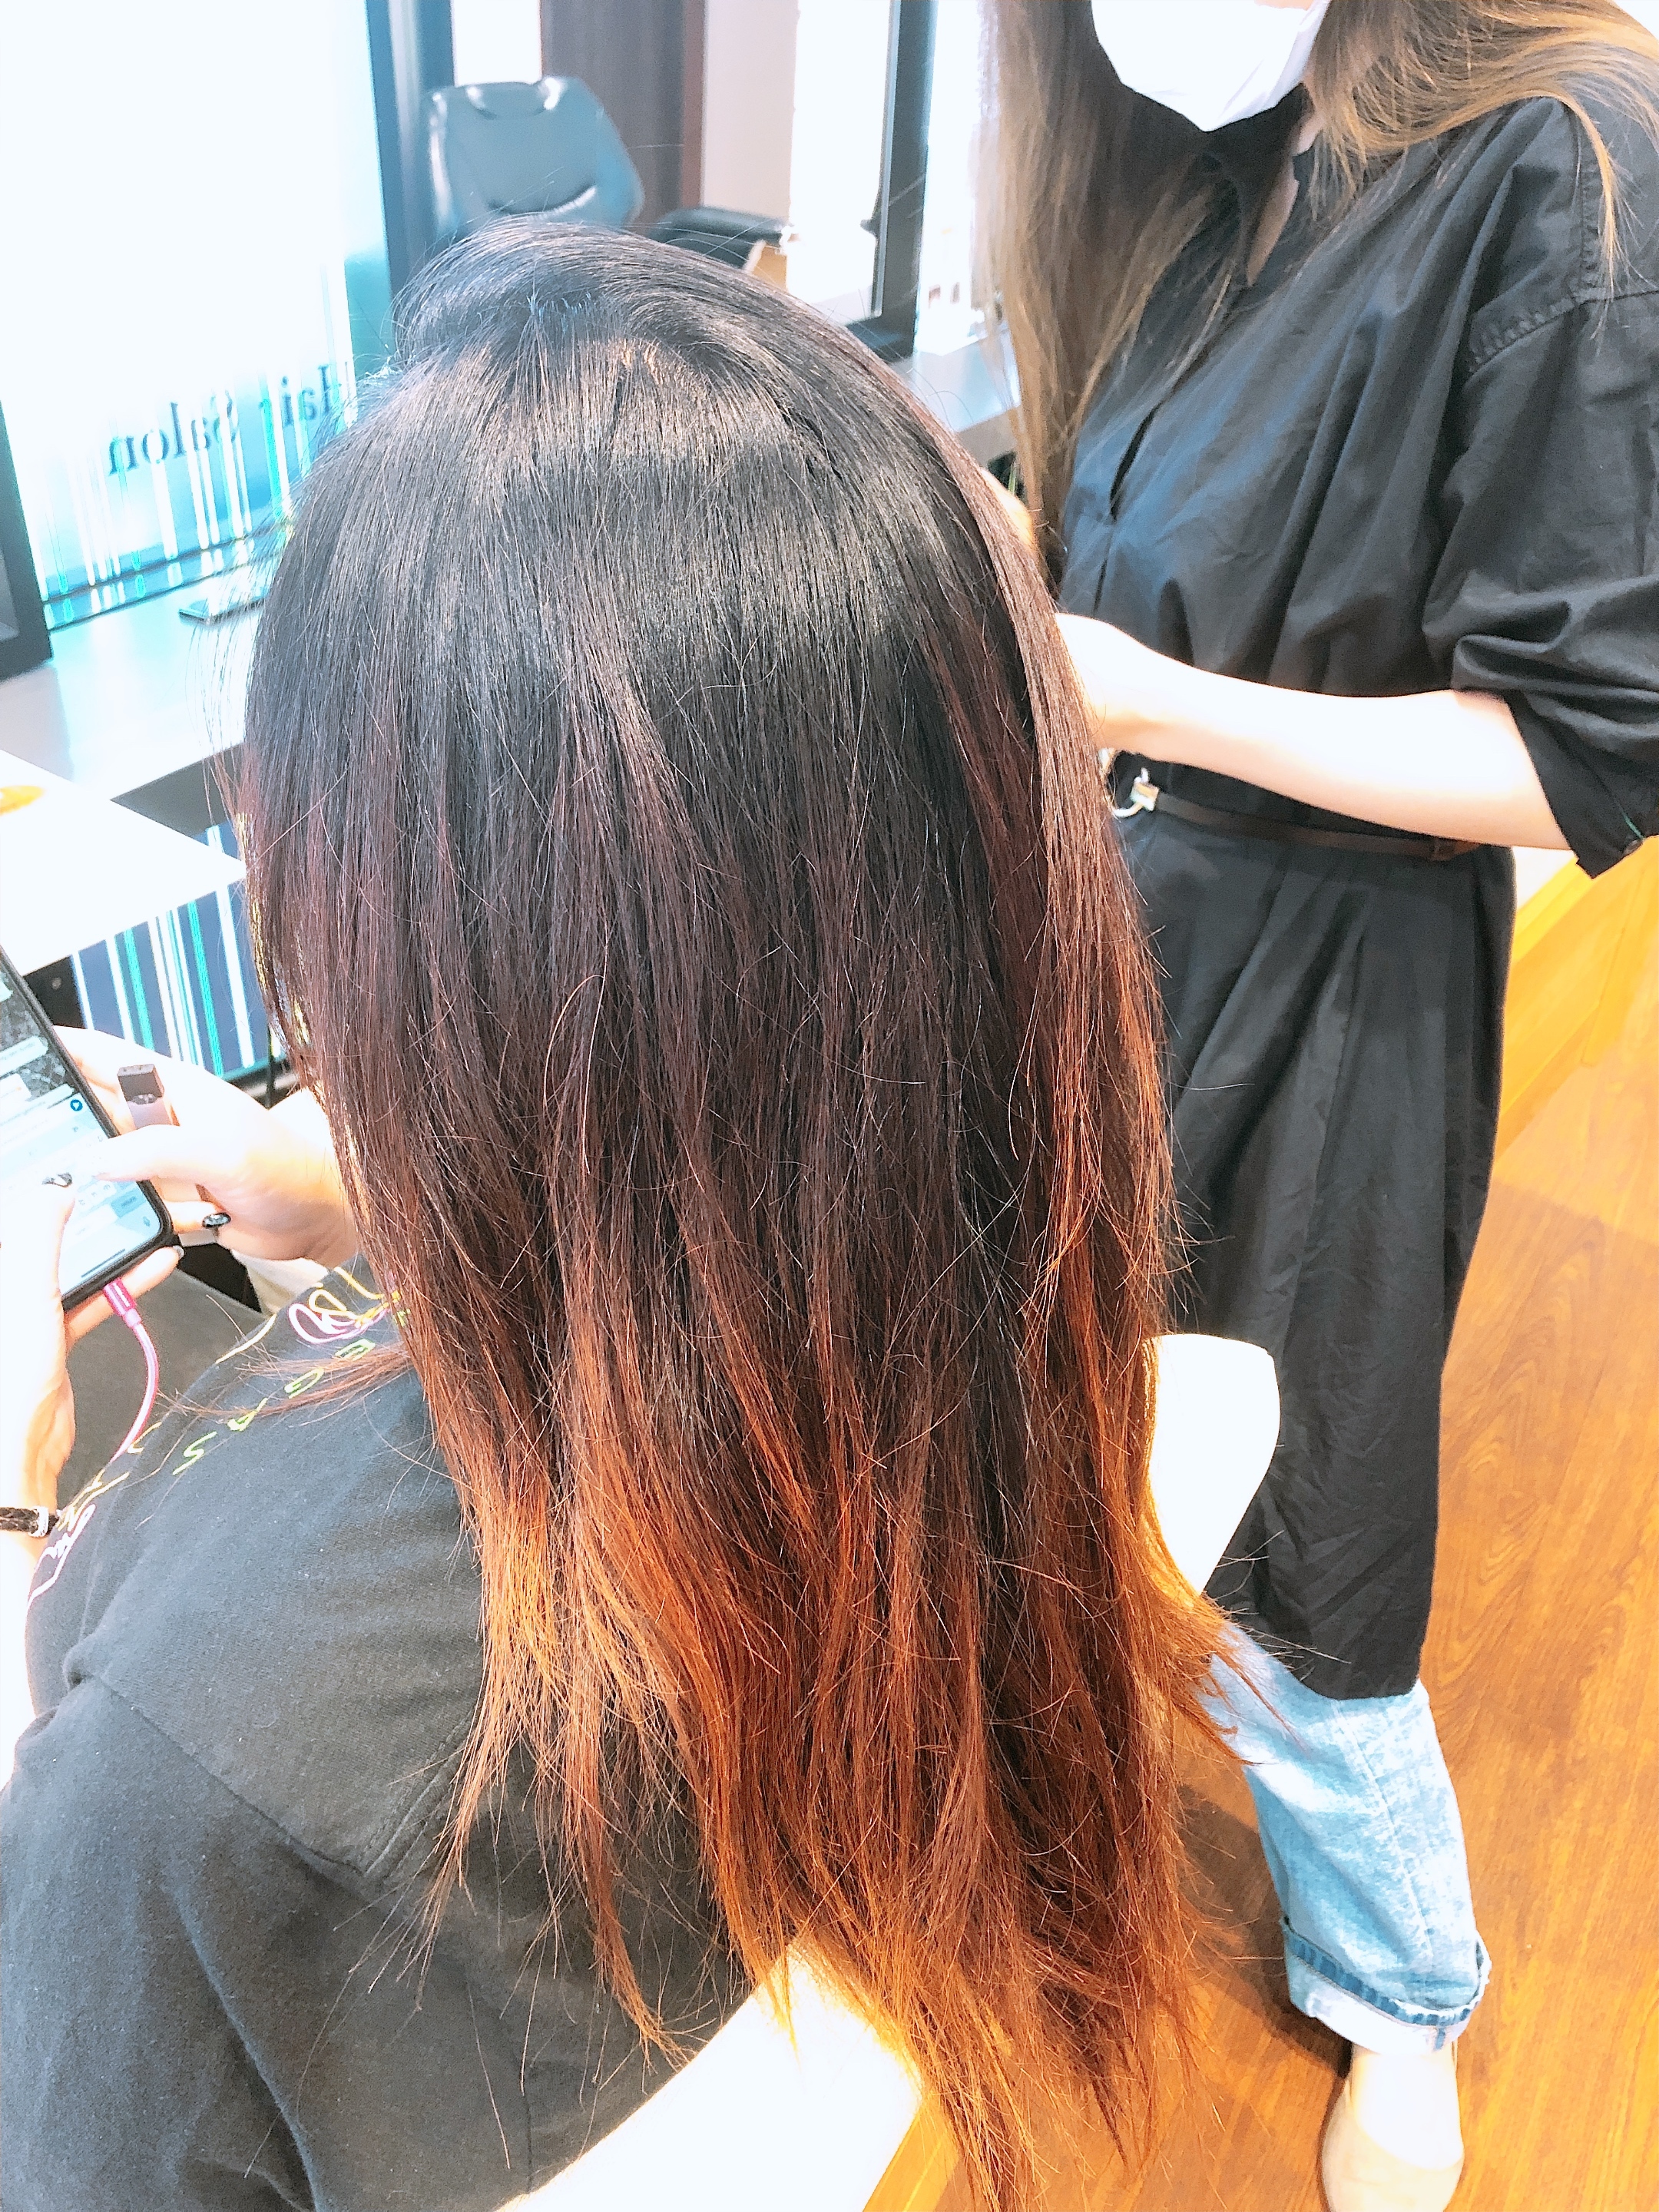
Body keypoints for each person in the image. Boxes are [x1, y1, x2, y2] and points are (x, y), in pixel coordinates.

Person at [1, 227, 1224, 2212]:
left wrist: (14, 1506)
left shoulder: (177, 1784)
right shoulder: (977, 1323)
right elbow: (748, 1148)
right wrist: (389, 1208)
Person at [985, 2, 1659, 2206]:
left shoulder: (1565, 159)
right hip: (1108, 922)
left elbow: (1581, 757)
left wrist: (1153, 700)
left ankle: (1405, 1986)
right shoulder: (1210, 168)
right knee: (1045, 1415)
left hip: (1337, 966)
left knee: (1305, 1516)